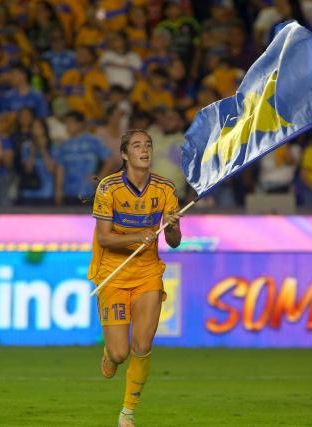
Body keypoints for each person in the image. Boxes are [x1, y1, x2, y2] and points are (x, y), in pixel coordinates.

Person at [88, 129, 182, 427]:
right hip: (112, 274)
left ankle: (127, 414)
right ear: (125, 155)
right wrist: (135, 237)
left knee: (142, 345)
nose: (145, 149)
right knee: (120, 352)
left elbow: (176, 240)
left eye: (149, 145)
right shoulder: (109, 188)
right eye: (138, 145)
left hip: (148, 273)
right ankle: (111, 354)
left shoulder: (166, 188)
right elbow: (104, 239)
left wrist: (170, 228)